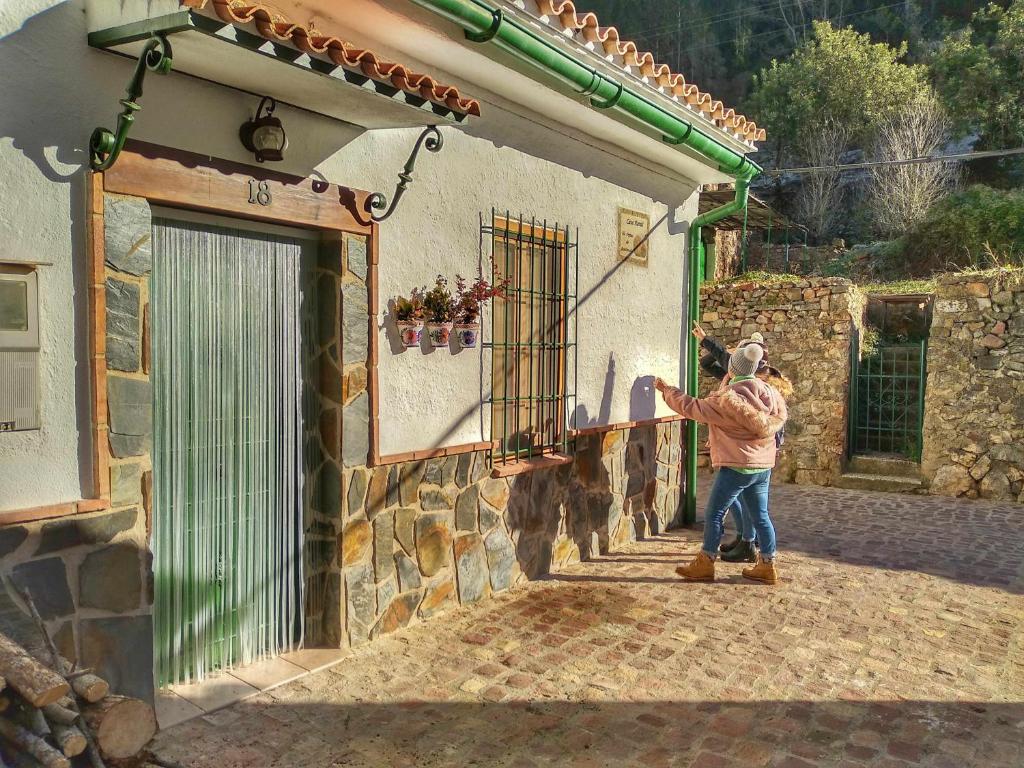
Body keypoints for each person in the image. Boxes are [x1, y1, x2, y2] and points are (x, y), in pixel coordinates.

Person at [654, 343, 787, 584]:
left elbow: (691, 406)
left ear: (732, 368)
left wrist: (667, 390)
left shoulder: (728, 400)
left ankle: (705, 562)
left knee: (715, 513)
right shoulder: (770, 394)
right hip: (762, 466)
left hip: (736, 466)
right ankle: (767, 565)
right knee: (761, 515)